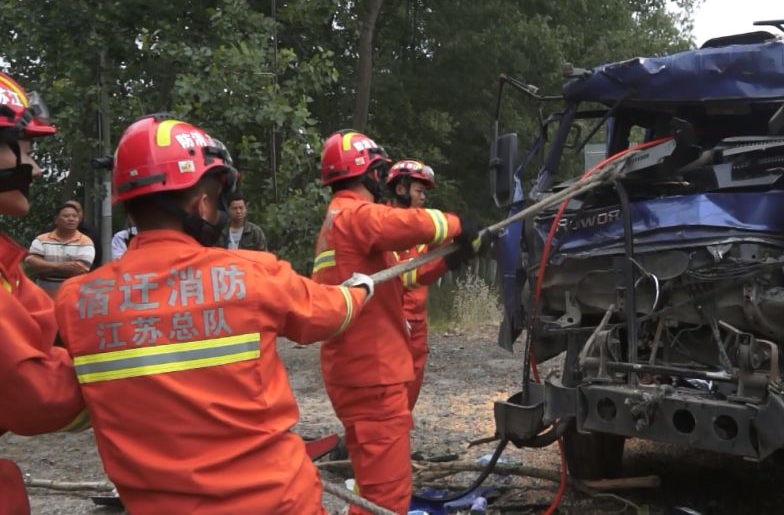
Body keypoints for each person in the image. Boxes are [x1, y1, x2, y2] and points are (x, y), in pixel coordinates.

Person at [52, 115, 375, 515]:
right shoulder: (253, 273)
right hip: (278, 502)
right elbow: (329, 313)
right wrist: (361, 289)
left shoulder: (76, 302)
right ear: (202, 203)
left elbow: (50, 402)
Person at [312, 130, 487, 514]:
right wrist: (456, 225)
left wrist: (450, 259)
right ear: (368, 172)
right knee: (387, 497)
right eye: (378, 170)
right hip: (371, 373)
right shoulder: (353, 214)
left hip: (364, 369)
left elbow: (403, 278)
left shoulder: (341, 222)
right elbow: (398, 225)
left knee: (375, 485)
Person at [0, 72, 88, 511]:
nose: (34, 168)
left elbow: (44, 323)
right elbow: (31, 390)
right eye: (28, 151)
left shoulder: (5, 262)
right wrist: (129, 377)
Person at [386, 159, 448, 409]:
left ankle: (399, 438)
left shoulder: (423, 225)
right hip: (391, 320)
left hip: (417, 322)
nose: (423, 197)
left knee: (412, 385)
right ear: (401, 189)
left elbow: (446, 244)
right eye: (419, 191)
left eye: (424, 193)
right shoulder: (382, 223)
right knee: (390, 387)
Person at [24, 202, 95, 297]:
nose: (71, 219)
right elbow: (31, 261)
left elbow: (81, 268)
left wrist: (46, 266)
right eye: (66, 216)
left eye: (74, 216)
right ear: (56, 220)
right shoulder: (41, 239)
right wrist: (58, 266)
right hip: (44, 292)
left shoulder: (85, 241)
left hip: (75, 292)